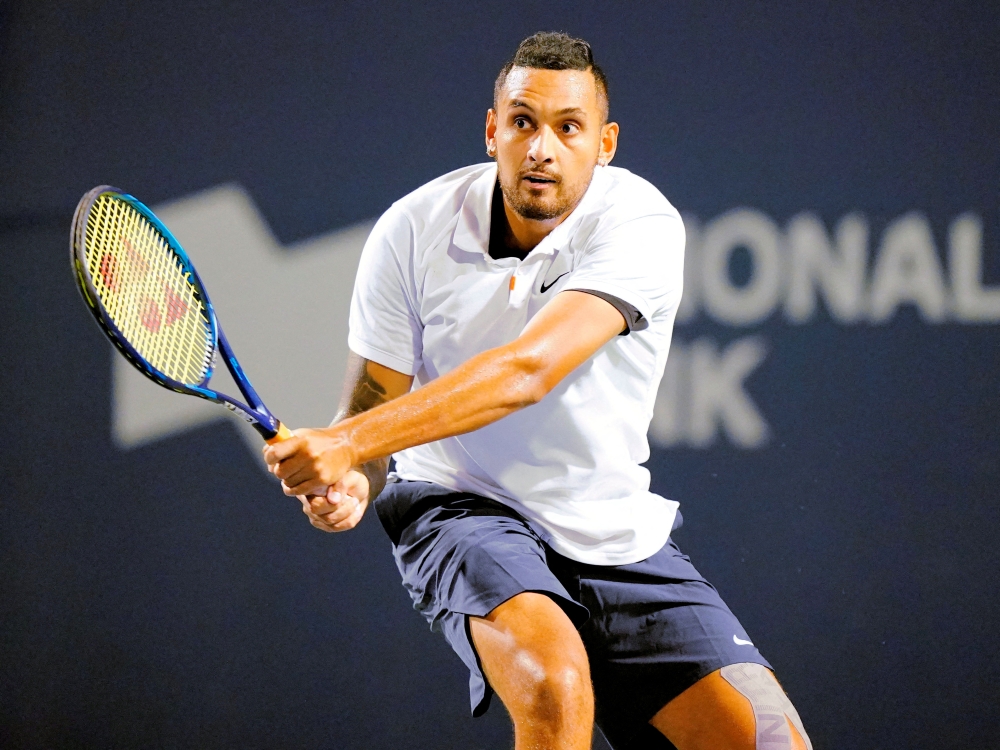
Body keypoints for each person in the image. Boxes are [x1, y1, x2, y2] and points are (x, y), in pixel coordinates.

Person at [264, 32, 812, 750]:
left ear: (605, 144)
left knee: (773, 744)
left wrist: (344, 446)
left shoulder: (640, 224)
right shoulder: (410, 230)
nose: (541, 148)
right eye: (522, 122)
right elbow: (370, 405)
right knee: (555, 689)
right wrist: (357, 482)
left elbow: (528, 371)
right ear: (493, 130)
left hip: (610, 529)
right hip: (459, 506)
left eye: (568, 127)